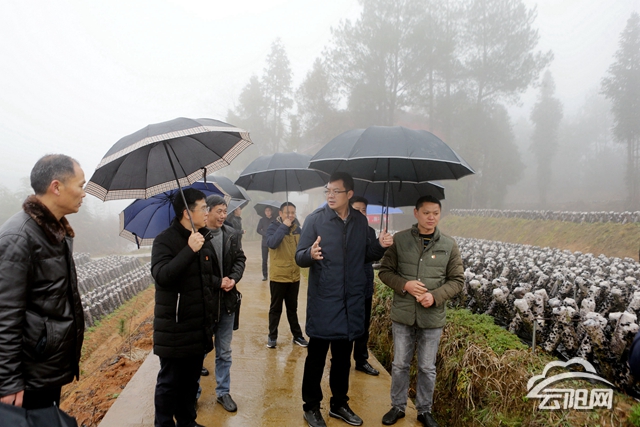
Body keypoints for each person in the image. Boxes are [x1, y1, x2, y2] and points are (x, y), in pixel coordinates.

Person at [296, 172, 393, 427]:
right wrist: (310, 254)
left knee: (342, 359)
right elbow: (299, 256)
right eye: (328, 190)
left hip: (350, 303)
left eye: (336, 191)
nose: (330, 195)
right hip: (324, 301)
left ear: (349, 194)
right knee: (316, 357)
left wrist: (380, 245)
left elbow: (366, 255)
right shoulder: (315, 220)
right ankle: (311, 406)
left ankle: (339, 404)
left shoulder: (360, 222)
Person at [0, 154, 86, 410]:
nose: (84, 193)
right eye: (80, 185)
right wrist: (8, 381)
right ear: (56, 187)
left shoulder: (53, 232)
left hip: (46, 366)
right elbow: (6, 313)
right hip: (29, 377)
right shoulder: (19, 237)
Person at [378, 195, 464, 427]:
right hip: (404, 315)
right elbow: (385, 272)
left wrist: (434, 296)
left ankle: (425, 410)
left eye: (435, 213)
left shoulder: (449, 244)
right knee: (400, 364)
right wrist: (404, 285)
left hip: (432, 317)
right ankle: (397, 406)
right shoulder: (400, 240)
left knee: (427, 367)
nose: (431, 217)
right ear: (416, 213)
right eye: (426, 213)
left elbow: (457, 280)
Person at [151, 188, 217, 427]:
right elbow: (162, 276)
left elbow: (207, 280)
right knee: (169, 384)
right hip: (175, 329)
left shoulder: (203, 238)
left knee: (191, 382)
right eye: (203, 208)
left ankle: (187, 422)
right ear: (187, 212)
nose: (207, 212)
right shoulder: (164, 240)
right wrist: (189, 250)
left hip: (198, 326)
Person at [205, 195, 246, 413]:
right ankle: (193, 393)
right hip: (206, 304)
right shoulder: (198, 237)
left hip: (228, 303)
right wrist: (217, 282)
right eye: (219, 211)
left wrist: (233, 278)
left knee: (224, 352)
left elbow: (240, 259)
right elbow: (196, 272)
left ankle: (223, 392)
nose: (223, 215)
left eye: (224, 211)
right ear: (208, 211)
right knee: (200, 351)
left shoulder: (231, 234)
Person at [265, 202, 308, 349]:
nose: (291, 215)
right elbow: (272, 243)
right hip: (278, 276)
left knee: (292, 308)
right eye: (287, 212)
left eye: (293, 213)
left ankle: (297, 336)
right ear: (280, 214)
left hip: (294, 276)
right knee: (275, 309)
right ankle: (272, 336)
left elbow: (303, 247)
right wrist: (284, 226)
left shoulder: (297, 230)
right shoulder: (273, 227)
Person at [350, 196, 380, 376]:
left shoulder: (370, 231)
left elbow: (371, 256)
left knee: (363, 325)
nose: (361, 213)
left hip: (365, 282)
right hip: (348, 285)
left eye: (364, 210)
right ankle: (340, 359)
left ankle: (361, 360)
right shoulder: (342, 230)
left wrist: (380, 245)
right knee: (346, 324)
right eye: (357, 210)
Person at [256, 206, 274, 281]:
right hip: (264, 243)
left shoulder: (275, 220)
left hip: (273, 242)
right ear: (264, 212)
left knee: (273, 259)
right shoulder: (262, 220)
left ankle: (273, 274)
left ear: (271, 211)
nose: (268, 212)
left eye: (269, 210)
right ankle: (265, 275)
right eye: (266, 210)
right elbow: (258, 230)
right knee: (264, 260)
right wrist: (265, 233)